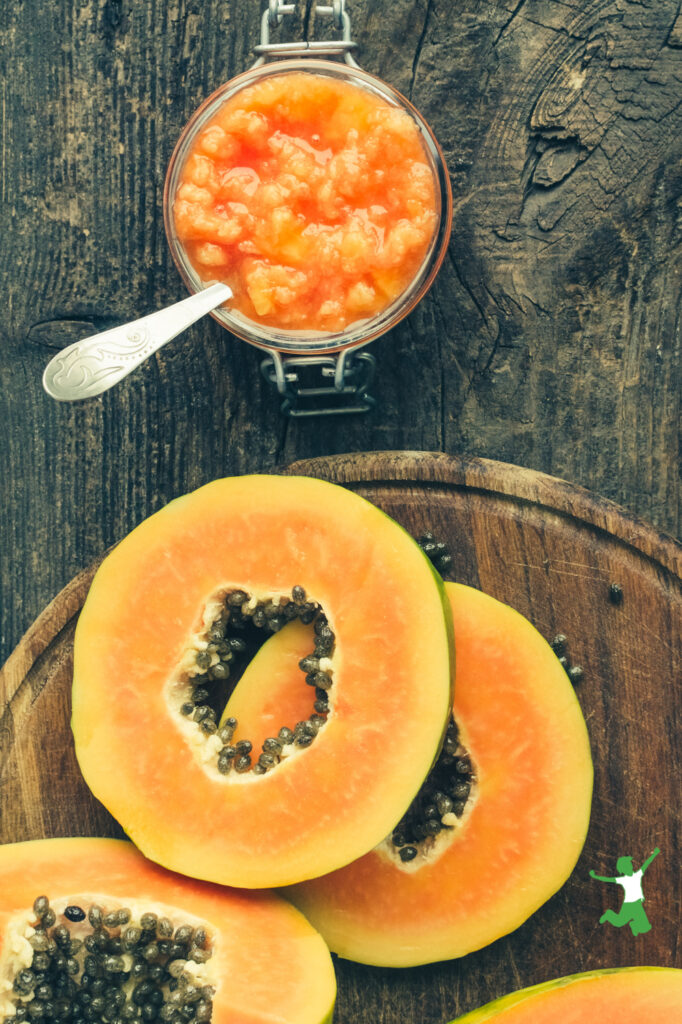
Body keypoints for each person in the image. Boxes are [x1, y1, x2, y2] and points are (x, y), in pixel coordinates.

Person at [590, 847, 660, 936]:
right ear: (624, 868)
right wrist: (595, 876)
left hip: (637, 904)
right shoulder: (623, 880)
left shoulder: (637, 875)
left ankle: (634, 925)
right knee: (619, 922)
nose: (631, 865)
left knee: (646, 927)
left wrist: (654, 854)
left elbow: (646, 864)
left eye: (630, 864)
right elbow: (608, 879)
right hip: (629, 905)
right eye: (628, 864)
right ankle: (608, 915)